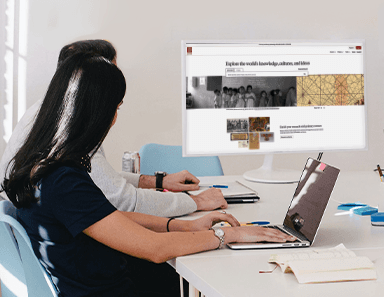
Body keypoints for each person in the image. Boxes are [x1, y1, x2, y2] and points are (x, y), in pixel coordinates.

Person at [2, 52, 295, 296]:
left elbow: (105, 218)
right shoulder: (62, 179)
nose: (115, 118)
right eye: (114, 108)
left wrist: (186, 227)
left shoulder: (41, 164)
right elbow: (154, 249)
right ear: (95, 112)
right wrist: (228, 235)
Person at [0, 40, 225, 217]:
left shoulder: (46, 114)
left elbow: (96, 181)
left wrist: (158, 182)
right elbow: (122, 201)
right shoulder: (71, 131)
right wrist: (196, 202)